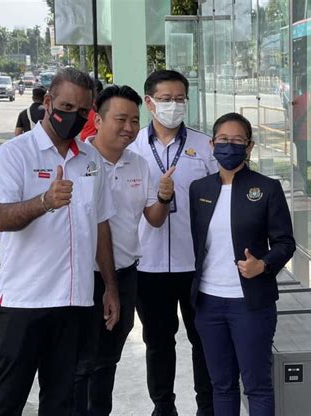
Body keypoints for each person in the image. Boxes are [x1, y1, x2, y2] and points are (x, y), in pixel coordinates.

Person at [0, 67, 120, 416]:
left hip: (75, 305)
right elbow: (0, 218)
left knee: (64, 404)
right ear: (47, 102)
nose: (73, 117)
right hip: (23, 304)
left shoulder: (91, 161)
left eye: (83, 111)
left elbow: (101, 224)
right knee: (5, 402)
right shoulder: (15, 154)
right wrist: (44, 202)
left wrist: (110, 287)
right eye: (66, 107)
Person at [74, 84, 175, 415]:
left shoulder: (139, 164)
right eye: (121, 119)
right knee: (78, 361)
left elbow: (154, 219)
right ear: (98, 120)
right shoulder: (76, 162)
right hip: (80, 276)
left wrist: (163, 196)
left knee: (107, 359)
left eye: (134, 120)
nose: (129, 128)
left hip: (125, 273)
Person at [189, 112, 296, 416]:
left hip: (250, 305)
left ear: (249, 147)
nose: (229, 146)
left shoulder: (267, 188)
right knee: (221, 385)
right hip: (208, 304)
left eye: (237, 141)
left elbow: (286, 243)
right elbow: (198, 245)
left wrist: (262, 265)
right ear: (212, 144)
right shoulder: (199, 189)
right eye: (223, 140)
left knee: (257, 385)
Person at [128, 69, 216, 416]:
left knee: (203, 340)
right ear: (149, 103)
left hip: (197, 264)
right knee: (158, 341)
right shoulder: (133, 148)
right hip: (147, 265)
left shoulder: (204, 146)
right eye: (165, 99)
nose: (173, 106)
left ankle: (206, 406)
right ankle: (163, 406)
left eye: (179, 98)